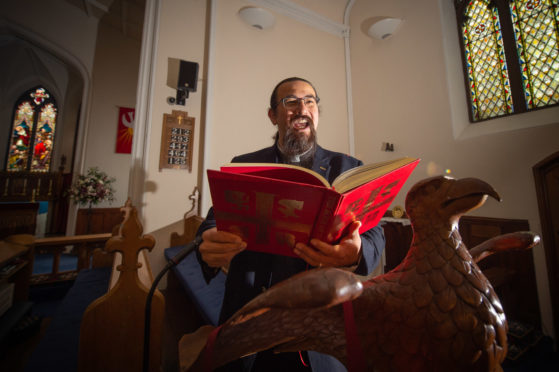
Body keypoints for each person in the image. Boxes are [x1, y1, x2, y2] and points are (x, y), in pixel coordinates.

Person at [195, 77, 385, 371]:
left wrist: (357, 251)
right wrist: (207, 241)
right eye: (291, 102)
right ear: (273, 115)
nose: (302, 108)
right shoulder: (246, 166)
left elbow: (374, 232)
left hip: (322, 326)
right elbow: (213, 221)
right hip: (250, 319)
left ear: (317, 113)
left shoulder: (348, 169)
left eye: (310, 101)